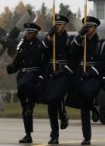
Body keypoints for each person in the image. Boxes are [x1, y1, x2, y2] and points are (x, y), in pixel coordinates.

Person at [68, 16, 105, 145]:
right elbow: (72, 50)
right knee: (83, 109)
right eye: (86, 27)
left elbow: (103, 63)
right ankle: (87, 137)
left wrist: (90, 72)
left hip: (93, 76)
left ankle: (93, 104)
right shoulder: (82, 41)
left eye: (90, 27)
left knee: (88, 94)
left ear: (95, 28)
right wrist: (80, 35)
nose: (88, 29)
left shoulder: (101, 43)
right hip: (81, 75)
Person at [6, 22, 45, 144]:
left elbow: (44, 64)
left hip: (34, 75)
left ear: (35, 33)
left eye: (30, 33)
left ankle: (30, 104)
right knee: (24, 108)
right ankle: (28, 134)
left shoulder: (40, 46)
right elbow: (18, 62)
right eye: (27, 33)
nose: (28, 35)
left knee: (29, 102)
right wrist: (12, 68)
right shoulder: (22, 45)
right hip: (22, 76)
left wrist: (41, 77)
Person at [41, 14, 72, 144]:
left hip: (62, 71)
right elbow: (43, 49)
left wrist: (64, 70)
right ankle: (54, 134)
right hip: (51, 70)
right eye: (56, 24)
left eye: (60, 24)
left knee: (56, 96)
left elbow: (72, 56)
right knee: (51, 104)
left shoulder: (68, 39)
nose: (57, 26)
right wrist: (49, 36)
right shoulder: (50, 37)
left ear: (64, 26)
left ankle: (63, 112)